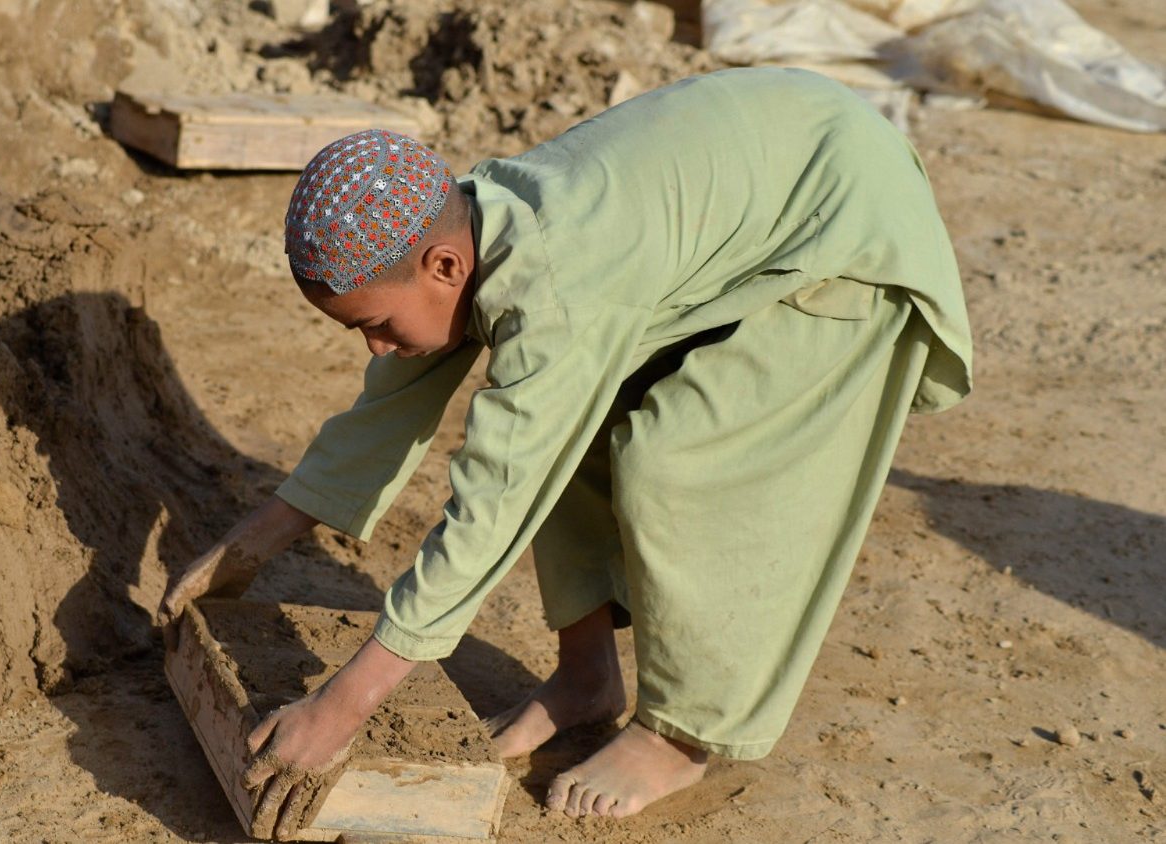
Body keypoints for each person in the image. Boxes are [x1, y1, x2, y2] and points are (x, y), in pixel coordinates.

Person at [160, 66, 972, 835]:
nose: (374, 347)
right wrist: (253, 542)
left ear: (444, 264)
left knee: (678, 464)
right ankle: (587, 679)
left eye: (376, 323)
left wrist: (342, 706)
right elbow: (390, 405)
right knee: (576, 429)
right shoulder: (474, 227)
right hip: (785, 170)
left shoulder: (555, 282)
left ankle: (681, 738)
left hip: (846, 232)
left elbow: (497, 501)